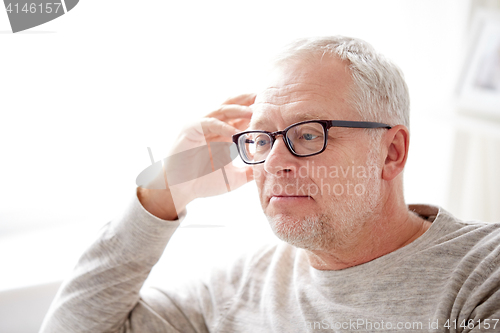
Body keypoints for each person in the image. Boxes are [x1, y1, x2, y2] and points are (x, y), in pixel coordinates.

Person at [40, 36, 500, 333]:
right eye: (262, 138)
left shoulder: (482, 277)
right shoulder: (239, 287)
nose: (275, 160)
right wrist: (165, 189)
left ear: (391, 152)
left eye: (307, 134)